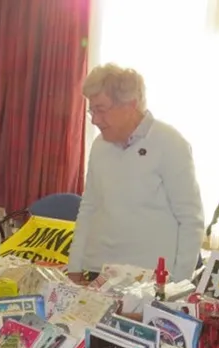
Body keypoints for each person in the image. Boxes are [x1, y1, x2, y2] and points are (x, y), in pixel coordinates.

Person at [67, 64, 205, 283]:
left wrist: (179, 285)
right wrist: (74, 267)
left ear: (130, 105)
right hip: (98, 271)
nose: (94, 120)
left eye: (101, 110)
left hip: (148, 278)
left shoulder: (170, 144)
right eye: (91, 110)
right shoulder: (100, 146)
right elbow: (89, 208)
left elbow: (191, 220)